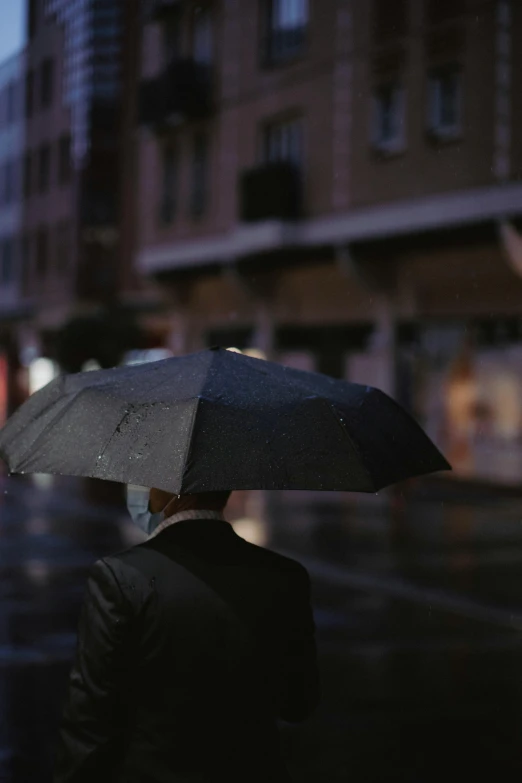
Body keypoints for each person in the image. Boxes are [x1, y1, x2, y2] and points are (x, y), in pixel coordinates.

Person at [53, 487, 320, 783]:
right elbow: (297, 703)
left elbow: (91, 716)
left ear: (172, 491)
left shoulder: (121, 577)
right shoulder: (284, 576)